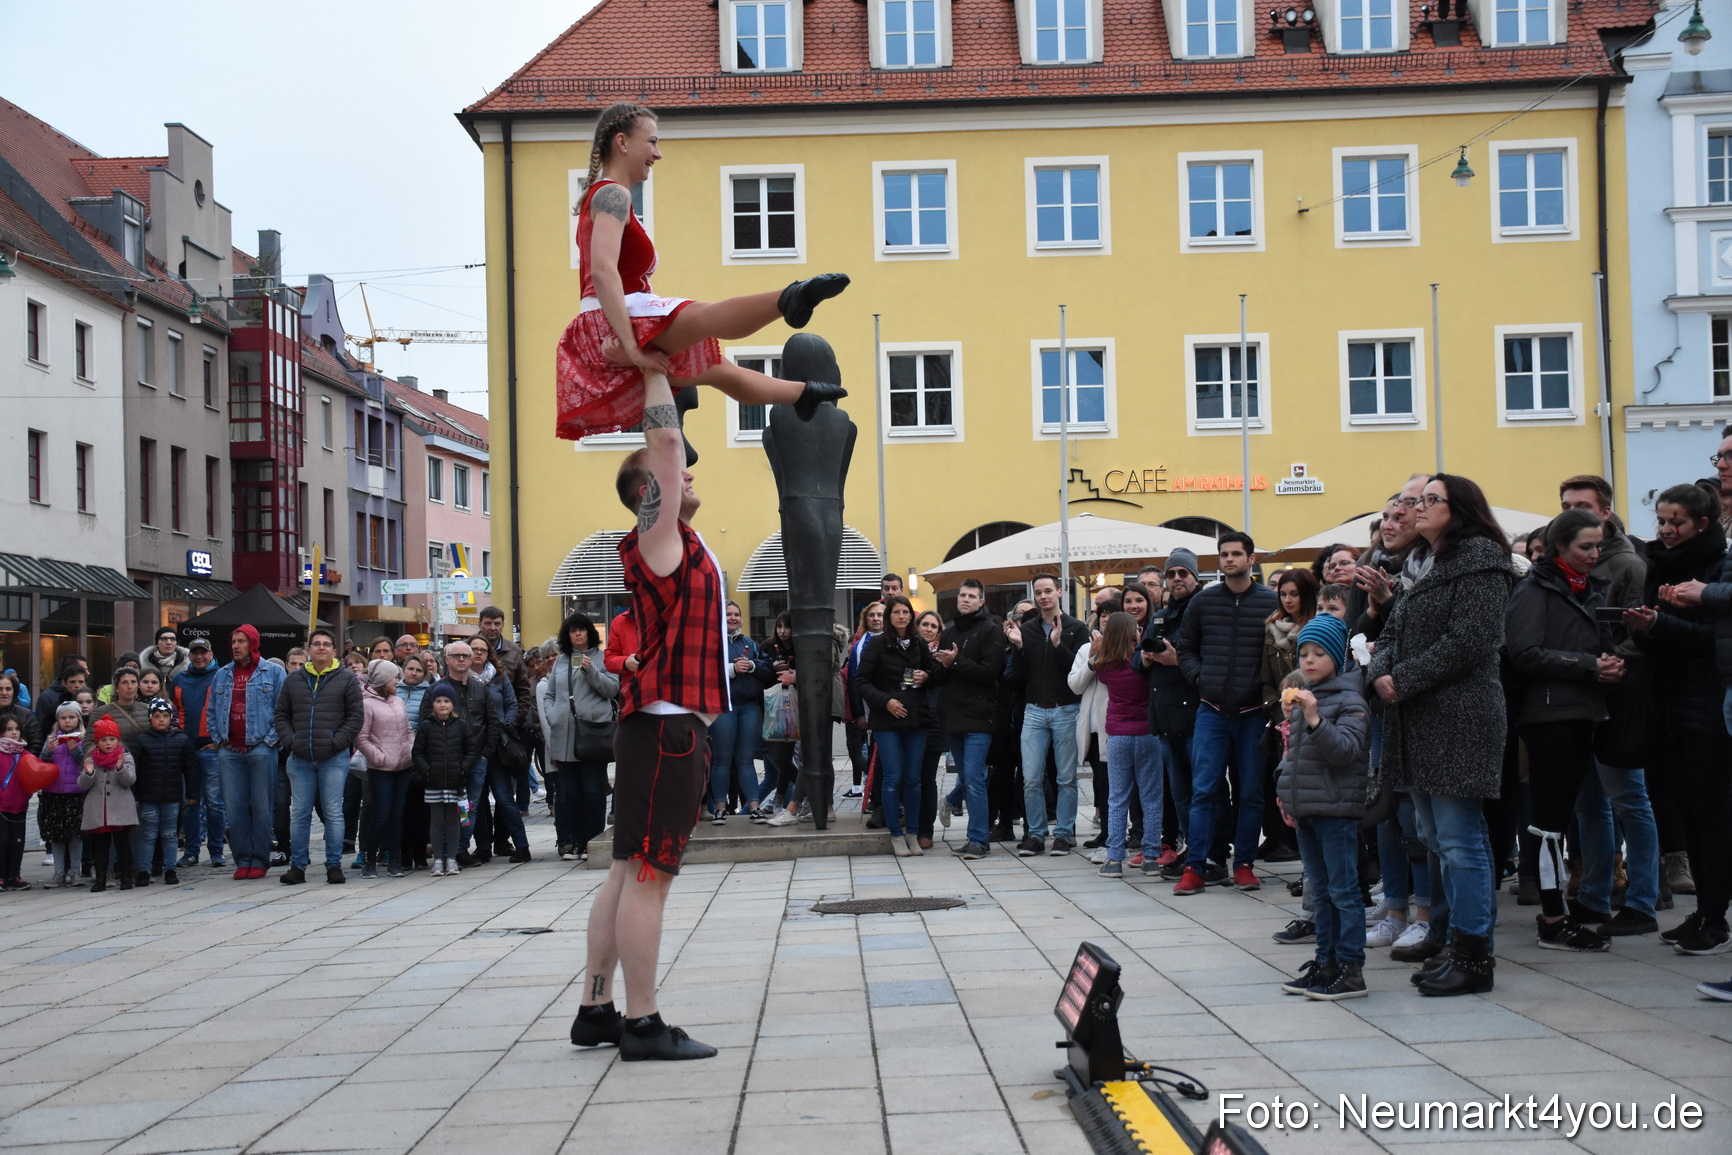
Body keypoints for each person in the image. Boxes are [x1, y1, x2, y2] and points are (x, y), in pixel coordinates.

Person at [573, 369, 725, 1062]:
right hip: (668, 726)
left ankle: (596, 1007)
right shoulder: (660, 539)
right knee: (646, 875)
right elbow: (665, 436)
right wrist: (657, 361)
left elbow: (667, 446)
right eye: (679, 474)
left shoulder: (665, 543)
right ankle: (642, 1021)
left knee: (624, 866)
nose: (690, 475)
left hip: (652, 726)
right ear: (651, 495)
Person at [556, 103, 847, 442]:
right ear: (622, 142)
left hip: (614, 316)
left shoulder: (610, 196)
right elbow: (604, 271)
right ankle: (792, 298)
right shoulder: (612, 194)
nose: (658, 153)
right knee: (704, 316)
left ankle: (804, 394)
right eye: (651, 142)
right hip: (613, 320)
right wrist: (633, 349)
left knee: (720, 370)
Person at [1368, 474, 1513, 997]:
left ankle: (1475, 957)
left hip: (1459, 716)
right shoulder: (1423, 564)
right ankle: (1456, 944)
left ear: (1461, 509)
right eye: (1414, 499)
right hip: (1418, 718)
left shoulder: (1480, 560)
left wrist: (1399, 679)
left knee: (1460, 840)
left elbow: (1470, 641)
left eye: (1430, 500)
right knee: (1435, 839)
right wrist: (1380, 670)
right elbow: (1389, 631)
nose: (1416, 508)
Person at [1506, 508, 1621, 953]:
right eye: (1585, 547)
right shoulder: (1535, 590)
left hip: (1582, 712)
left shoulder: (1587, 589)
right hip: (1547, 716)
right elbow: (1524, 653)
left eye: (1598, 546)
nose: (1595, 554)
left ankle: (1558, 915)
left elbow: (1594, 645)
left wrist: (1610, 663)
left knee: (1561, 816)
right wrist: (1589, 666)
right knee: (1549, 821)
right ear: (1559, 548)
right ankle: (1553, 919)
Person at [1631, 482, 1732, 955]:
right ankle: (1704, 913)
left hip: (1707, 708)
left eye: (1678, 522)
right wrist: (1647, 628)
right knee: (1688, 815)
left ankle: (1715, 918)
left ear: (1702, 525)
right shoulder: (1661, 562)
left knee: (1710, 818)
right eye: (1662, 520)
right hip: (1669, 704)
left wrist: (1660, 624)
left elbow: (1713, 642)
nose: (1668, 530)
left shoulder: (1717, 568)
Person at [1174, 532, 1280, 895]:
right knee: (1203, 791)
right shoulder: (1204, 602)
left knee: (1251, 793)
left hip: (1253, 712)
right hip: (1212, 710)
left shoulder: (1270, 601)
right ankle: (1196, 866)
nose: (1229, 559)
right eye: (1224, 554)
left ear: (1252, 559)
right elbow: (1185, 646)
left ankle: (1245, 865)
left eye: (1237, 554)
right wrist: (1199, 677)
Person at [1274, 613, 1372, 1000]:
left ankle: (1351, 970)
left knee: (1344, 891)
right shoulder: (1307, 699)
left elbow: (1345, 752)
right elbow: (1298, 759)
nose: (1309, 661)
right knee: (1322, 895)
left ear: (1337, 656)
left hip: (1335, 810)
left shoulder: (1350, 699)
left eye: (1319, 654)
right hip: (1308, 810)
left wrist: (1313, 718)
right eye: (1304, 654)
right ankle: (1325, 962)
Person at [1007, 574, 1090, 857]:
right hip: (1033, 710)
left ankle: (1065, 834)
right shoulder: (1026, 630)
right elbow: (1018, 676)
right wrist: (1017, 647)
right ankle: (1036, 834)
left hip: (1066, 709)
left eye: (1048, 591)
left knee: (1066, 777)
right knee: (1031, 777)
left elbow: (1079, 672)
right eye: (1038, 592)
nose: (1043, 596)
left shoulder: (1077, 628)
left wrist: (1057, 644)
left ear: (1059, 592)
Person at [274, 629, 364, 886]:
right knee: (299, 813)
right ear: (309, 649)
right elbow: (281, 714)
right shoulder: (294, 679)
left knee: (334, 812)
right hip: (300, 757)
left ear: (334, 651)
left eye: (326, 644)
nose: (321, 648)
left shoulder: (346, 679)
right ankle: (298, 866)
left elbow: (355, 717)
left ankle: (334, 865)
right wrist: (291, 741)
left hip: (333, 757)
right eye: (316, 644)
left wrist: (337, 742)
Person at [854, 595, 937, 856]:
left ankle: (912, 832)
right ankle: (896, 834)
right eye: (896, 612)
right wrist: (886, 701)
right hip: (887, 720)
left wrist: (927, 676)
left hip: (916, 719)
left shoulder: (919, 643)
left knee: (913, 778)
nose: (902, 616)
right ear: (889, 616)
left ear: (911, 616)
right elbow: (862, 682)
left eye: (906, 612)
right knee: (892, 777)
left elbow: (932, 673)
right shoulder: (876, 645)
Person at [539, 611, 620, 862]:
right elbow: (550, 694)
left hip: (592, 734)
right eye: (573, 630)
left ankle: (593, 841)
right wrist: (554, 715)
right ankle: (576, 842)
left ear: (589, 633)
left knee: (593, 791)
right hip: (564, 735)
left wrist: (591, 670)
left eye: (581, 629)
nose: (577, 634)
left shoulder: (602, 657)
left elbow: (612, 689)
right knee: (570, 793)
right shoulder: (562, 660)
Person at [1089, 612, 1163, 879]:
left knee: (1117, 797)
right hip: (1147, 734)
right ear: (1134, 633)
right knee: (1151, 797)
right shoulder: (1145, 660)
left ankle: (1114, 858)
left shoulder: (1104, 666)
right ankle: (1152, 857)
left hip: (1118, 736)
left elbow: (1100, 675)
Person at [934, 581, 1004, 859]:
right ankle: (955, 806)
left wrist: (956, 662)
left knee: (974, 778)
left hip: (978, 716)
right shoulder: (949, 631)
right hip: (952, 716)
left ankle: (978, 840)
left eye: (971, 596)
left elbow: (990, 674)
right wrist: (935, 668)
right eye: (962, 594)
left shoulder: (991, 631)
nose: (965, 599)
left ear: (981, 601)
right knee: (967, 776)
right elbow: (940, 677)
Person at [417, 641, 499, 868]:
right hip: (444, 762)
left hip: (476, 760)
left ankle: (459, 849)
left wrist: (486, 753)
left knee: (468, 808)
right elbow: (424, 723)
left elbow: (492, 722)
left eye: (466, 655)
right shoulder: (436, 690)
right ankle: (444, 852)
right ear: (447, 659)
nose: (461, 659)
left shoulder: (480, 689)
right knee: (443, 809)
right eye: (456, 656)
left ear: (472, 659)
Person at [1148, 550, 1203, 878]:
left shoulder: (1203, 610)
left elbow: (1210, 660)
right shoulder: (1161, 615)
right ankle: (1193, 850)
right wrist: (1143, 659)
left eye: (1184, 572)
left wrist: (1176, 660)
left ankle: (1207, 852)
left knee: (1203, 789)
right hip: (1164, 714)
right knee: (1180, 791)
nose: (1177, 578)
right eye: (1172, 574)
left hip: (1195, 713)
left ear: (1196, 577)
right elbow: (1141, 653)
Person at [709, 602, 770, 823]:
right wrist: (731, 669)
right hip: (723, 707)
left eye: (736, 614)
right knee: (722, 759)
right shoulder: (711, 642)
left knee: (746, 760)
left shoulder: (750, 643)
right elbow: (705, 671)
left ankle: (754, 807)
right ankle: (720, 808)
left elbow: (766, 668)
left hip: (749, 707)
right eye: (728, 614)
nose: (732, 618)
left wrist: (751, 666)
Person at [129, 698, 197, 888]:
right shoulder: (142, 741)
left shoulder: (181, 740)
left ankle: (170, 869)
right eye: (157, 716)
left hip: (172, 797)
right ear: (150, 718)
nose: (161, 720)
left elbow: (190, 769)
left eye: (165, 716)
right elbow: (135, 770)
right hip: (148, 797)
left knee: (169, 834)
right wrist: (134, 795)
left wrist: (192, 793)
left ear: (171, 718)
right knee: (148, 834)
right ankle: (144, 870)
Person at [169, 638, 224, 869]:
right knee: (190, 803)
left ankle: (217, 852)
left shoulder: (221, 676)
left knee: (214, 804)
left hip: (211, 750)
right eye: (195, 653)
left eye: (203, 652)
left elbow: (226, 710)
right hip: (187, 751)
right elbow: (172, 713)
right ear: (189, 656)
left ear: (211, 654)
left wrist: (219, 742)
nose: (199, 656)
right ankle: (191, 851)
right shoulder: (179, 679)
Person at [356, 659, 413, 879]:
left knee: (398, 814)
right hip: (381, 768)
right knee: (381, 814)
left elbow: (408, 729)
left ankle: (395, 859)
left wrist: (410, 748)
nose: (398, 681)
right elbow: (361, 738)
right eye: (394, 677)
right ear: (383, 680)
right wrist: (378, 757)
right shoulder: (367, 704)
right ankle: (370, 860)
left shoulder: (398, 701)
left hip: (403, 765)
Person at [415, 683, 478, 878]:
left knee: (453, 820)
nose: (442, 705)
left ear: (453, 704)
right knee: (436, 821)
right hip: (433, 782)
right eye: (438, 701)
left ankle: (451, 857)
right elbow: (417, 752)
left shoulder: (461, 725)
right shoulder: (426, 726)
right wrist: (427, 771)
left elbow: (472, 750)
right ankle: (438, 859)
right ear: (433, 703)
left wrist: (462, 769)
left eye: (447, 701)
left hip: (455, 781)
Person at [80, 714, 138, 893]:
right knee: (100, 848)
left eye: (112, 739)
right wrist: (88, 773)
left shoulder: (125, 757)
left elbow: (130, 780)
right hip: (99, 809)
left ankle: (126, 878)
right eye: (104, 740)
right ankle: (101, 879)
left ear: (118, 740)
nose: (108, 743)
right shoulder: (91, 760)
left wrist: (120, 770)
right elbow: (82, 784)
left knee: (123, 846)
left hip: (119, 808)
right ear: (98, 742)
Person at [39, 703, 86, 887]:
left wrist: (76, 751)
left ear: (78, 719)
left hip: (75, 793)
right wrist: (47, 751)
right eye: (63, 718)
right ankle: (59, 871)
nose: (67, 721)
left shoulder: (82, 738)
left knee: (76, 835)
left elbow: (86, 762)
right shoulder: (52, 739)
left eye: (71, 717)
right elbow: (42, 762)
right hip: (54, 792)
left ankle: (75, 871)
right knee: (56, 835)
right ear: (58, 720)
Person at [844, 601, 885, 798]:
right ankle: (875, 797)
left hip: (895, 708)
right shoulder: (859, 647)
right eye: (872, 615)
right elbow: (853, 681)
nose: (876, 619)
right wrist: (859, 713)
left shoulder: (897, 641)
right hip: (870, 711)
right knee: (872, 756)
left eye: (880, 615)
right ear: (865, 619)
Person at [397, 654, 433, 871]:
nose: (414, 673)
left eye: (418, 670)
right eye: (410, 669)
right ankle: (402, 853)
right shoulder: (394, 691)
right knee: (400, 809)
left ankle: (419, 852)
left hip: (419, 756)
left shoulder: (429, 693)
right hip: (395, 755)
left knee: (419, 809)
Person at [0, 715, 31, 890]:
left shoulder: (25, 754)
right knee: (2, 841)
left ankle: (14, 875)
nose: (13, 733)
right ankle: (1, 876)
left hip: (20, 804)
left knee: (17, 841)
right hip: (1, 805)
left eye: (16, 729)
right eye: (8, 729)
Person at [91, 669, 148, 746]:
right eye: (124, 682)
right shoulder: (101, 712)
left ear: (138, 686)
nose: (130, 686)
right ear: (116, 687)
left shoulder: (148, 710)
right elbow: (89, 742)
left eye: (133, 682)